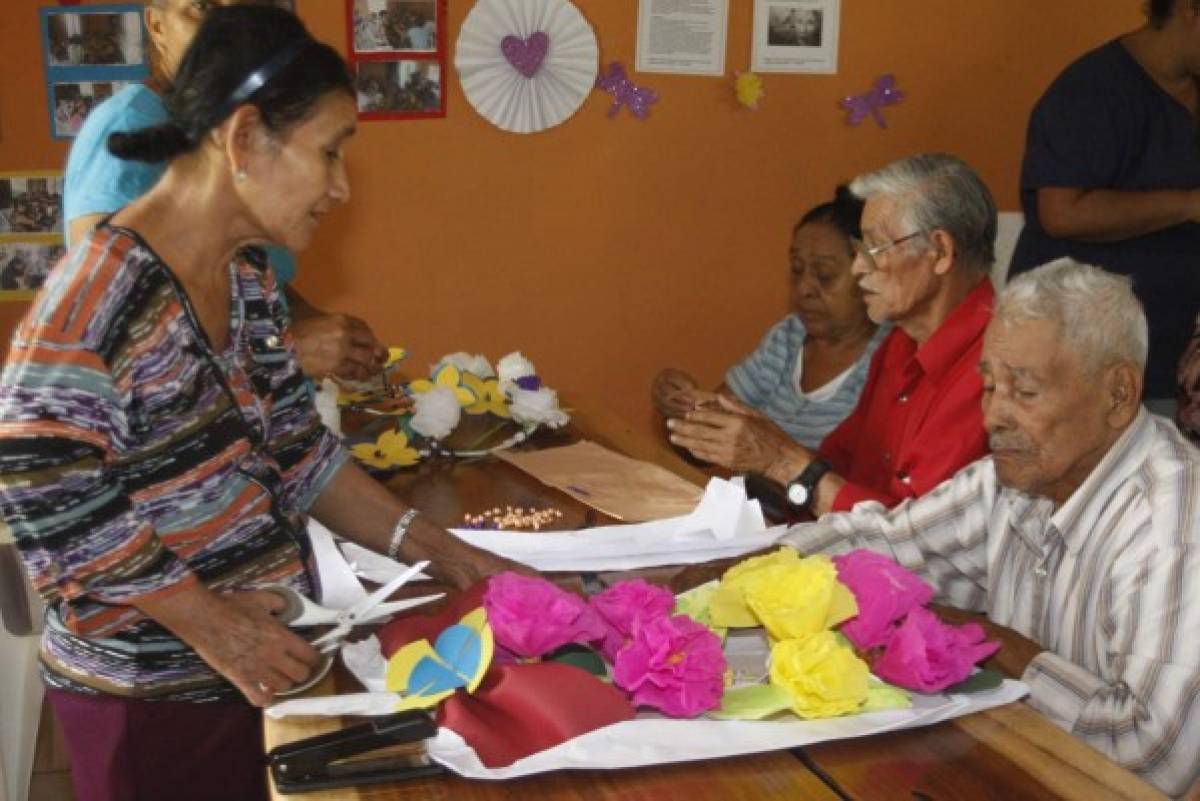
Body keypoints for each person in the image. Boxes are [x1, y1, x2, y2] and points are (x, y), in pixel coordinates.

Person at [0, 8, 518, 801]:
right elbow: (38, 477)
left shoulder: (246, 282)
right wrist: (209, 621)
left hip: (255, 666)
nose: (341, 187)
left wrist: (445, 550)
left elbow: (300, 454)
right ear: (244, 140)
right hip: (152, 701)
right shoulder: (103, 291)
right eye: (330, 151)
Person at [782, 258, 1200, 797]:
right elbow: (883, 543)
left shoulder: (1176, 525)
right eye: (988, 387)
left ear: (1118, 394)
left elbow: (1153, 757)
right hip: (1024, 769)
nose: (993, 416)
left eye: (1024, 393)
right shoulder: (1015, 478)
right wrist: (734, 573)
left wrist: (990, 642)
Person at [64, 0, 388, 383]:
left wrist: (302, 318)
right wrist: (281, 349)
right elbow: (111, 337)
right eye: (201, 8)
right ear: (157, 25)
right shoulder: (127, 124)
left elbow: (247, 282)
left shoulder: (234, 134)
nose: (225, 27)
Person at [668, 154, 995, 517]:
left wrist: (780, 460)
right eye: (858, 251)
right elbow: (837, 464)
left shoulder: (997, 367)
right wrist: (756, 436)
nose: (858, 268)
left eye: (874, 249)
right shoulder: (900, 344)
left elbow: (914, 540)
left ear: (940, 252)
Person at [1007, 0, 1200, 417]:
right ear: (1190, 9)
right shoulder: (1092, 90)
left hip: (1177, 361)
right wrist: (1187, 205)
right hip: (1087, 362)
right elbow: (1062, 211)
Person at [653, 187, 886, 451]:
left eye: (825, 275)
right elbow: (706, 442)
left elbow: (860, 483)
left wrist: (771, 455)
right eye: (797, 271)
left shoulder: (889, 361)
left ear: (870, 274)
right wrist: (681, 409)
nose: (803, 289)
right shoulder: (788, 338)